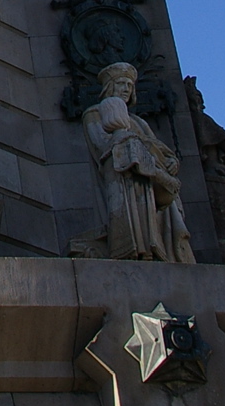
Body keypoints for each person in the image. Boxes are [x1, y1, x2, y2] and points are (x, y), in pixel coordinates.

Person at [82, 63, 195, 264]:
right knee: (130, 217)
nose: (126, 89)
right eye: (121, 84)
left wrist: (170, 162)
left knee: (159, 211)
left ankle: (162, 251)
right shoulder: (94, 113)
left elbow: (159, 147)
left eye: (129, 85)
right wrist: (129, 144)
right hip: (121, 173)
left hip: (149, 178)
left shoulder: (139, 122)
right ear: (109, 87)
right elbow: (100, 144)